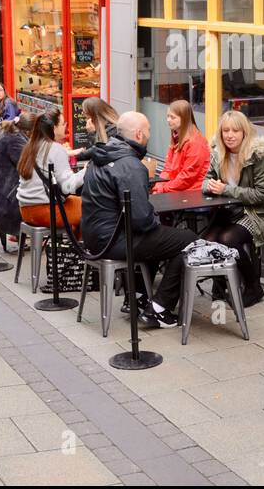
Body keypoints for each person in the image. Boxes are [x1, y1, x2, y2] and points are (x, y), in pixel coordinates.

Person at [83, 112, 194, 328]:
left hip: (95, 237)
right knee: (190, 240)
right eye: (150, 130)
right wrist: (153, 219)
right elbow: (141, 220)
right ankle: (160, 309)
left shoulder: (102, 155)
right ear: (139, 134)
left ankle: (138, 298)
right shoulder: (131, 165)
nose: (151, 135)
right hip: (115, 240)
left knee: (159, 237)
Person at [202, 109, 264, 307]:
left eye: (235, 131)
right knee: (209, 241)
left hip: (258, 214)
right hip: (229, 213)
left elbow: (262, 194)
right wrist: (210, 186)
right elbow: (205, 181)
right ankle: (220, 285)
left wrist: (226, 190)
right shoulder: (218, 153)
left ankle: (254, 287)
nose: (229, 135)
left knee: (228, 240)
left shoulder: (257, 156)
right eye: (225, 131)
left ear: (244, 133)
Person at [17, 108, 85, 231]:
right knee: (92, 205)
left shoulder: (30, 146)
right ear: (54, 128)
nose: (65, 127)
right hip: (46, 211)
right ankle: (80, 248)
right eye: (63, 124)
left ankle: (74, 245)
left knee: (77, 202)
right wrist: (86, 171)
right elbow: (67, 186)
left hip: (25, 209)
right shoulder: (55, 148)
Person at [0, 111, 34, 252]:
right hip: (0, 192)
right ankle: (32, 231)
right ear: (29, 131)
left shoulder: (10, 131)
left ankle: (22, 233)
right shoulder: (15, 139)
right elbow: (27, 167)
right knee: (34, 192)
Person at [151, 99, 209, 193]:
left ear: (184, 119)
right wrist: (158, 186)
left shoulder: (196, 142)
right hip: (177, 190)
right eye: (168, 116)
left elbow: (187, 178)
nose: (168, 120)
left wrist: (162, 189)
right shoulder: (176, 137)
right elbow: (168, 168)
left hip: (192, 195)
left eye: (172, 117)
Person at [74, 97, 119, 162]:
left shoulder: (112, 130)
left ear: (93, 115)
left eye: (84, 112)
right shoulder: (109, 127)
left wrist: (92, 134)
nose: (82, 114)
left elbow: (98, 153)